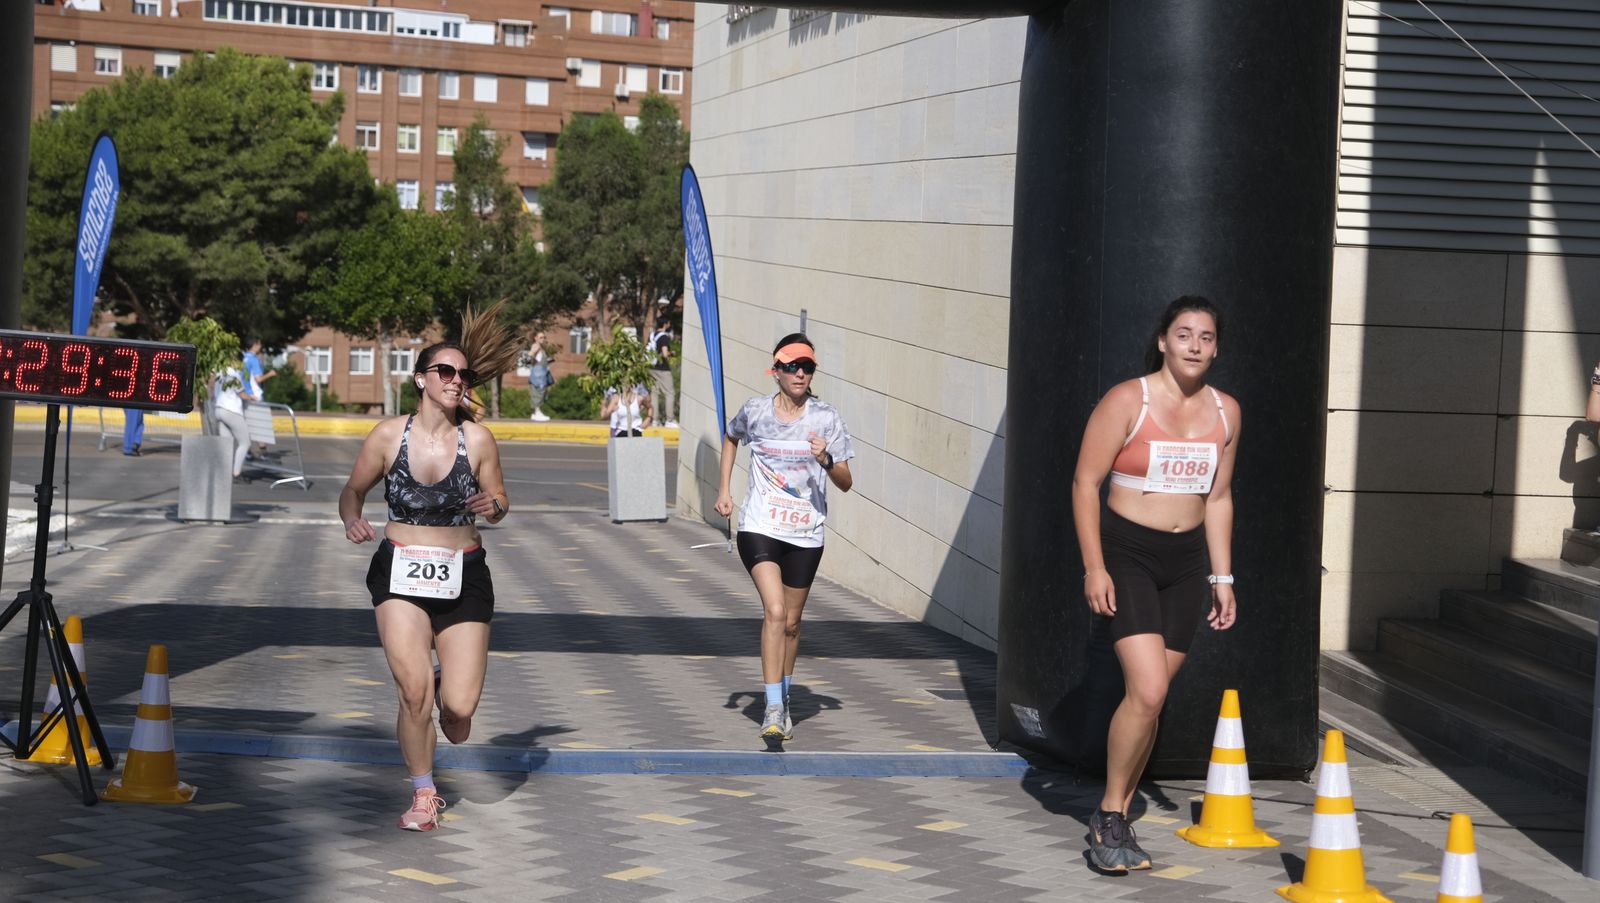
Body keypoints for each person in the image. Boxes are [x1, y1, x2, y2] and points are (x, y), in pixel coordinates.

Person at [1071, 296, 1241, 872]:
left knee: (1152, 697)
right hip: (1128, 554)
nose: (1195, 345)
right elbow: (1084, 483)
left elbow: (1218, 497)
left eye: (1206, 337)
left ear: (1216, 349)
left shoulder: (1227, 412)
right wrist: (1095, 566)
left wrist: (1222, 577)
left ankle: (1116, 814)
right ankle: (1110, 813)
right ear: (1164, 341)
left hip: (1186, 564)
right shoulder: (1128, 400)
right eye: (1184, 334)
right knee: (1146, 691)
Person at [338, 304, 519, 832]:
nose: (457, 380)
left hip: (464, 572)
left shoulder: (477, 440)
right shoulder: (388, 436)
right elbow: (352, 491)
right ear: (421, 379)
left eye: (464, 374)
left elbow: (501, 500)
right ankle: (423, 793)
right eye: (446, 371)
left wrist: (494, 506)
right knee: (412, 690)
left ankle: (447, 692)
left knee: (458, 713)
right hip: (399, 570)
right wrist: (352, 519)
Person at [714, 334, 855, 745]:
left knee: (792, 624)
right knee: (775, 611)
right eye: (792, 366)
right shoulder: (756, 411)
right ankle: (773, 708)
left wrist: (826, 459)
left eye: (807, 367)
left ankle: (784, 697)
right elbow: (731, 437)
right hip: (760, 526)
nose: (800, 374)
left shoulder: (826, 418)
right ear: (775, 370)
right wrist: (724, 490)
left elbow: (846, 482)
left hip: (805, 533)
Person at [212, 365, 251, 479]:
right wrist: (252, 398)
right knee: (245, 443)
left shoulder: (219, 372)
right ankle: (236, 473)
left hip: (219, 409)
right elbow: (242, 394)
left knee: (227, 444)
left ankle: (224, 472)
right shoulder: (234, 375)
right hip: (231, 410)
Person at [241, 337, 275, 456]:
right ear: (255, 345)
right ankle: (263, 453)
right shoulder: (254, 360)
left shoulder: (244, 358)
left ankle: (248, 452)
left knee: (249, 424)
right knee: (261, 425)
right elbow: (258, 379)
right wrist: (270, 374)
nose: (261, 347)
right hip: (255, 396)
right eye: (259, 344)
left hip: (245, 394)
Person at [651, 323, 677, 428]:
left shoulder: (652, 335)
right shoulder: (664, 337)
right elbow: (665, 354)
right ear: (665, 324)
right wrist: (672, 353)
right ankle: (669, 419)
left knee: (654, 393)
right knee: (669, 393)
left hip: (652, 368)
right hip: (663, 369)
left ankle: (654, 420)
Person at [528, 331, 553, 422]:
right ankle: (537, 412)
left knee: (541, 392)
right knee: (538, 393)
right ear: (536, 338)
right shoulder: (536, 346)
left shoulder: (541, 348)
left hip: (541, 373)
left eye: (544, 337)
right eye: (541, 337)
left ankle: (535, 413)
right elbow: (530, 354)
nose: (543, 339)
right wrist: (532, 356)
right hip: (538, 374)